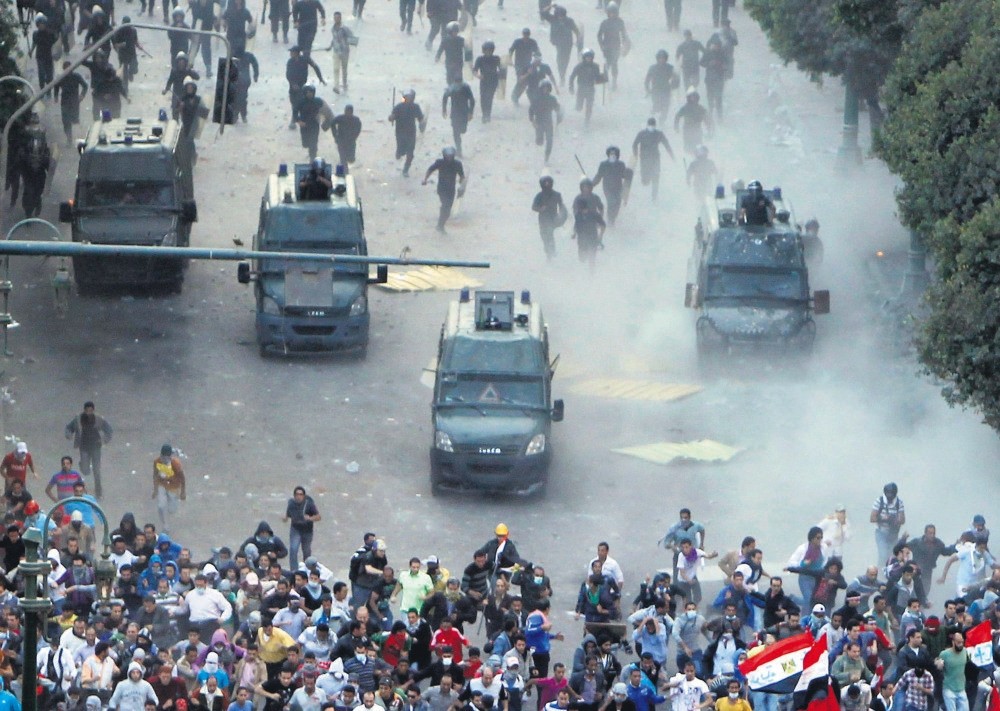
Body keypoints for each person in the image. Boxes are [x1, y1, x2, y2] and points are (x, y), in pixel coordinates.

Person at [64, 402, 113, 499]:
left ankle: (98, 493)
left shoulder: (98, 419)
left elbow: (108, 430)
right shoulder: (78, 419)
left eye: (90, 411)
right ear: (84, 410)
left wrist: (104, 440)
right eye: (87, 411)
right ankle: (82, 465)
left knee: (96, 470)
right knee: (85, 470)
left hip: (96, 447)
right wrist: (69, 435)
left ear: (93, 410)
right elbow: (69, 427)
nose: (88, 413)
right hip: (84, 447)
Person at [422, 148, 466, 232]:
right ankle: (440, 225)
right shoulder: (440, 162)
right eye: (447, 156)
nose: (449, 158)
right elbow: (430, 170)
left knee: (448, 210)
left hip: (451, 189)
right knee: (445, 205)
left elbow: (462, 176)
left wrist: (461, 185)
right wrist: (425, 179)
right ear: (444, 156)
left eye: (451, 156)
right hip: (442, 188)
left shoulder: (457, 164)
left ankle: (440, 225)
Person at [631, 118, 674, 201]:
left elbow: (666, 144)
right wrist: (635, 154)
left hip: (655, 159)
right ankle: (645, 179)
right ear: (647, 125)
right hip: (644, 158)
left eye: (653, 125)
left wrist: (672, 156)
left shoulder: (659, 134)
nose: (651, 127)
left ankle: (654, 196)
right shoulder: (642, 134)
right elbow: (635, 144)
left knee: (656, 176)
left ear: (655, 126)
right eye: (650, 125)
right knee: (645, 181)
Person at [286, 46, 326, 130]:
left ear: (296, 53)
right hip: (292, 86)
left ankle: (295, 120)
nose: (290, 54)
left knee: (300, 103)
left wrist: (320, 78)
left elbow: (315, 67)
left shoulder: (305, 59)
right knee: (293, 102)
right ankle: (296, 118)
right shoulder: (290, 62)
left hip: (302, 85)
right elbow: (288, 74)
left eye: (292, 52)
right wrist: (293, 84)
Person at [389, 89, 427, 178]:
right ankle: (399, 152)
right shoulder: (398, 107)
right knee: (401, 151)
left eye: (411, 97)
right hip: (400, 133)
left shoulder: (416, 107)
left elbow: (420, 119)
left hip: (411, 133)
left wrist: (422, 124)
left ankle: (405, 170)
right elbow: (391, 117)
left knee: (410, 153)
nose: (410, 99)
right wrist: (391, 117)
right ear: (404, 98)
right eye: (408, 97)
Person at [592, 147, 633, 227]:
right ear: (608, 155)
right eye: (611, 154)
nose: (613, 155)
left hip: (618, 188)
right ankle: (610, 220)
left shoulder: (621, 164)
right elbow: (599, 176)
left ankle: (612, 219)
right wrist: (592, 184)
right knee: (611, 202)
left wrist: (628, 173)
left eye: (614, 154)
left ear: (617, 155)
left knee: (617, 204)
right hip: (607, 188)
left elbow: (623, 175)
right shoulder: (603, 165)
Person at [540, 5, 580, 86]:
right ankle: (562, 75)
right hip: (558, 43)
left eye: (562, 15)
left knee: (566, 60)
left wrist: (578, 41)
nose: (560, 17)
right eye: (559, 15)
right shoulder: (553, 19)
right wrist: (550, 6)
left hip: (568, 43)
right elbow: (543, 13)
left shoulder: (569, 21)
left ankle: (563, 74)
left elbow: (576, 31)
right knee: (559, 60)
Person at [284, 487, 321, 571]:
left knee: (306, 551)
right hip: (295, 529)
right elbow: (288, 514)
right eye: (297, 494)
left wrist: (310, 518)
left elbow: (318, 517)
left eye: (301, 494)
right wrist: (285, 518)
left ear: (304, 496)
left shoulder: (309, 504)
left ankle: (307, 570)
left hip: (307, 531)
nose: (298, 497)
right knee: (293, 549)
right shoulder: (291, 503)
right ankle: (293, 571)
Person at [572, 179, 605, 271]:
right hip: (581, 228)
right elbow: (575, 210)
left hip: (592, 223)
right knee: (582, 256)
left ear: (590, 187)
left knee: (592, 254)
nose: (585, 188)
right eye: (584, 187)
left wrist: (599, 219)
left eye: (587, 187)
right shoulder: (578, 198)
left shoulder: (595, 198)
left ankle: (592, 271)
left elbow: (601, 208)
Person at [532, 175, 568, 261]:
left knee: (549, 233)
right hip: (542, 219)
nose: (547, 184)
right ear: (542, 184)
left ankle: (551, 252)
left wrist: (563, 215)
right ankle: (549, 251)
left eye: (548, 183)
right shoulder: (539, 196)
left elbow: (561, 206)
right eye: (545, 183)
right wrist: (540, 209)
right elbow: (533, 207)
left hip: (553, 218)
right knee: (544, 236)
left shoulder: (557, 195)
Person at [871, 483, 905, 568]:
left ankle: (889, 573)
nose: (890, 496)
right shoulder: (879, 501)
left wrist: (893, 519)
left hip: (893, 533)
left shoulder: (899, 503)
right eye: (888, 494)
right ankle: (880, 573)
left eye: (891, 494)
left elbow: (902, 520)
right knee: (883, 555)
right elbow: (872, 518)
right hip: (881, 532)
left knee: (892, 556)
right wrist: (884, 519)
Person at [152, 444, 186, 532]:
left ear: (170, 457)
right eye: (163, 457)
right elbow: (155, 475)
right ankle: (165, 525)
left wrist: (183, 492)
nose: (164, 459)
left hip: (174, 487)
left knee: (172, 510)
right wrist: (155, 489)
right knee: (161, 506)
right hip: (162, 485)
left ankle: (173, 503)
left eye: (166, 457)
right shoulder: (157, 462)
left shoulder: (176, 464)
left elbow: (182, 478)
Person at [54, 62, 89, 144]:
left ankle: (78, 135)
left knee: (74, 120)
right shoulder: (61, 77)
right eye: (66, 68)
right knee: (66, 121)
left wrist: (82, 95)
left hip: (74, 101)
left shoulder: (76, 76)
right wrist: (56, 96)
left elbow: (85, 85)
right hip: (65, 102)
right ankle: (69, 138)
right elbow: (56, 86)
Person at [596, 3, 628, 90]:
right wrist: (601, 45)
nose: (612, 15)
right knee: (607, 63)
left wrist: (624, 44)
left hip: (616, 46)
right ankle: (605, 80)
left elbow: (624, 34)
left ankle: (614, 80)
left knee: (614, 63)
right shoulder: (604, 23)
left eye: (614, 13)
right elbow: (599, 35)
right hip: (606, 47)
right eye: (610, 13)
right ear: (608, 13)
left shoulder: (620, 22)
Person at [529, 81, 562, 164]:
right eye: (544, 88)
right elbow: (531, 110)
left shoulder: (552, 99)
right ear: (541, 89)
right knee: (539, 141)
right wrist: (532, 121)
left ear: (549, 89)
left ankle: (546, 158)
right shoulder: (536, 99)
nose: (545, 90)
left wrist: (559, 119)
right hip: (539, 122)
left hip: (548, 123)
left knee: (550, 140)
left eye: (547, 88)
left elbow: (557, 109)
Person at [569, 49, 603, 127]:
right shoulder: (579, 66)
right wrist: (571, 87)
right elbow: (572, 76)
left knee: (589, 105)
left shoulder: (595, 67)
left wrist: (604, 77)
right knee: (579, 107)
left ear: (592, 57)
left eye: (590, 57)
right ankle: (578, 107)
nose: (588, 59)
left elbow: (598, 79)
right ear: (584, 57)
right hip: (581, 88)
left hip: (591, 89)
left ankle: (587, 120)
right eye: (587, 57)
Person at [324, 12, 355, 92]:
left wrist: (347, 42)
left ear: (340, 18)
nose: (336, 19)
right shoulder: (333, 29)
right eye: (335, 18)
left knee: (344, 69)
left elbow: (352, 37)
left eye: (337, 18)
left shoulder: (345, 29)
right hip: (336, 51)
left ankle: (344, 83)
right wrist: (330, 46)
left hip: (344, 51)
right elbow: (334, 39)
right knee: (336, 69)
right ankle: (336, 86)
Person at [295, 84, 328, 160]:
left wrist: (326, 124)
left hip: (314, 125)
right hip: (304, 125)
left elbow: (327, 112)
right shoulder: (301, 102)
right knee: (305, 143)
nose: (309, 94)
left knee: (313, 142)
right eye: (308, 92)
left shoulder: (318, 101)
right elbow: (295, 112)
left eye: (311, 92)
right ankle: (311, 152)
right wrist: (299, 121)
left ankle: (313, 157)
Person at [442, 82, 475, 157]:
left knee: (461, 131)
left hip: (459, 114)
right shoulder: (464, 87)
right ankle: (459, 149)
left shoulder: (456, 88)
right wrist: (470, 112)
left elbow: (445, 97)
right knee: (457, 132)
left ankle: (458, 147)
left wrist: (444, 110)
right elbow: (472, 100)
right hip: (459, 114)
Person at [509, 29, 541, 105]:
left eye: (527, 34)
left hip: (528, 64)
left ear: (529, 34)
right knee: (521, 81)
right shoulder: (517, 42)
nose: (526, 36)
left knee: (531, 80)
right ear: (522, 34)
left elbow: (537, 52)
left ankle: (533, 98)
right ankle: (515, 97)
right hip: (519, 65)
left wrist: (536, 59)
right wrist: (510, 59)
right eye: (525, 34)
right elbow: (511, 50)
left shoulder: (532, 42)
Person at [674, 90, 711, 155]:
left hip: (697, 130)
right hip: (688, 130)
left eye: (694, 97)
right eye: (691, 97)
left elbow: (706, 119)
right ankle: (690, 156)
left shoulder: (700, 108)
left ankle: (697, 157)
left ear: (697, 98)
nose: (693, 99)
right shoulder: (686, 108)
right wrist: (676, 127)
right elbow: (677, 116)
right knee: (688, 147)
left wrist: (708, 128)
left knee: (698, 145)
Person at [473, 42, 501, 123]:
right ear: (483, 50)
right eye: (486, 50)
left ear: (492, 50)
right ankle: (484, 114)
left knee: (489, 98)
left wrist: (500, 76)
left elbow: (502, 69)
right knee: (483, 98)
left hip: (493, 81)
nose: (488, 52)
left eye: (490, 50)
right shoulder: (480, 59)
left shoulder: (496, 58)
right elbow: (474, 70)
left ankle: (487, 114)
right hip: (484, 80)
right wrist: (478, 76)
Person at [700, 36, 727, 121]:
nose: (716, 47)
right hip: (709, 79)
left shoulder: (722, 54)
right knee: (710, 98)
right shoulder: (708, 53)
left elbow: (727, 64)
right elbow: (701, 62)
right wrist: (709, 63)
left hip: (719, 79)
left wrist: (721, 65)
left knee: (718, 98)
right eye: (714, 45)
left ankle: (720, 117)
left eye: (717, 46)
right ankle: (710, 114)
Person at [331, 105, 362, 170]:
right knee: (343, 159)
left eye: (349, 112)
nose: (348, 113)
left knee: (351, 159)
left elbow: (359, 128)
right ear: (344, 111)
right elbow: (332, 123)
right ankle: (345, 171)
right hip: (341, 141)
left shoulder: (356, 120)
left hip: (351, 142)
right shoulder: (340, 118)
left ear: (352, 112)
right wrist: (335, 135)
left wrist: (355, 136)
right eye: (347, 111)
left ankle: (346, 165)